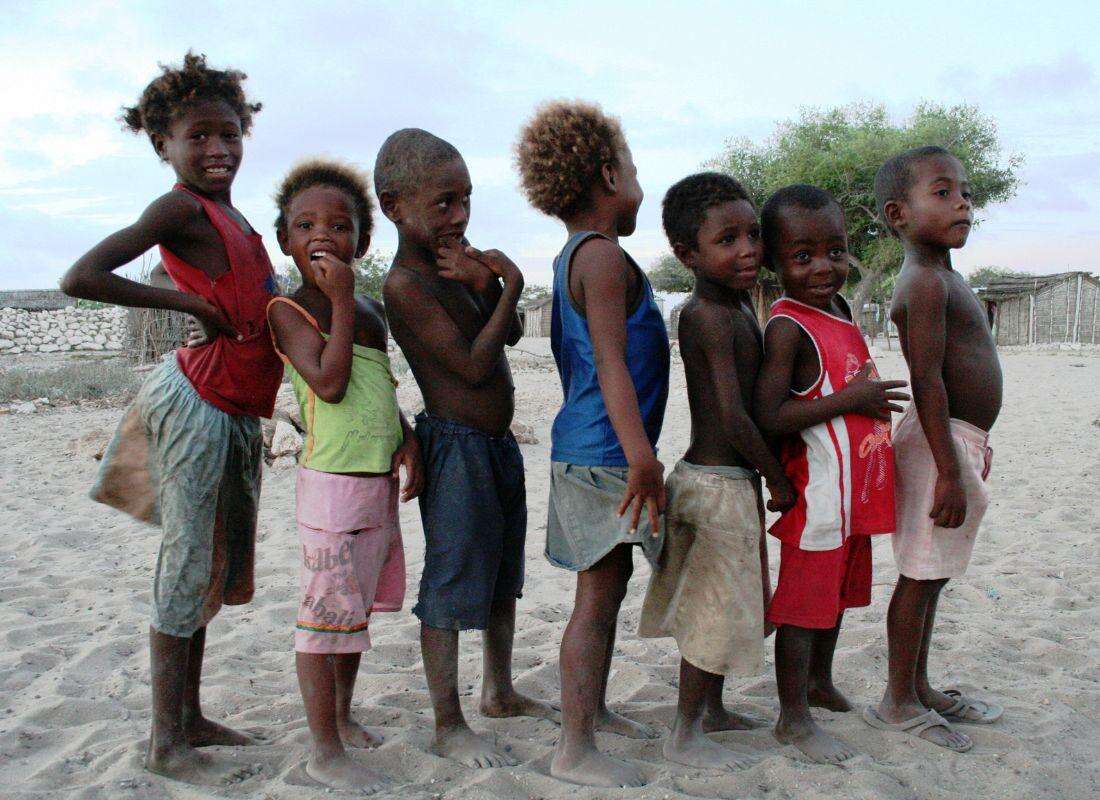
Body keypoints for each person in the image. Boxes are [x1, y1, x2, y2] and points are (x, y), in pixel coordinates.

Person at [60, 52, 282, 779]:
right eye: (199, 137)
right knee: (186, 564)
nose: (218, 149)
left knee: (209, 563)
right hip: (200, 405)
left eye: (230, 135)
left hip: (233, 408)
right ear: (164, 145)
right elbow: (81, 276)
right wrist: (186, 304)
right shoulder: (178, 208)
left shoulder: (230, 213)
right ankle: (165, 741)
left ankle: (189, 717)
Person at [377, 128, 556, 769]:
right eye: (443, 203)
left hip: (497, 446)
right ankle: (448, 722)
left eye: (466, 199)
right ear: (395, 207)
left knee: (503, 574)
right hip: (455, 449)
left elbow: (509, 334)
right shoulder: (406, 285)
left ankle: (499, 691)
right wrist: (508, 282)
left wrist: (488, 285)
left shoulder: (457, 266)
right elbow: (474, 367)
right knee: (452, 581)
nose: (459, 215)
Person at [515, 100, 670, 788]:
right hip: (605, 453)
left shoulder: (576, 254)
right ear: (609, 174)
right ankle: (575, 747)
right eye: (632, 169)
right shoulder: (603, 257)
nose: (639, 182)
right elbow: (609, 364)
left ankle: (594, 711)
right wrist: (642, 457)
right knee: (598, 596)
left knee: (609, 584)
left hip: (593, 447)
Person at [266, 159, 424, 790]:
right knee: (322, 621)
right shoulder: (288, 310)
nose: (322, 235)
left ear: (362, 240)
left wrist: (407, 437)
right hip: (331, 489)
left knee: (351, 615)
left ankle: (342, 715)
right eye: (305, 225)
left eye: (339, 225)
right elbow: (329, 385)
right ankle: (324, 751)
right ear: (285, 240)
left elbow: (376, 386)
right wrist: (336, 300)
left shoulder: (368, 309)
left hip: (374, 485)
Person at [637, 172, 796, 771]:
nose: (748, 249)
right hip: (716, 485)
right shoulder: (706, 314)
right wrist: (776, 477)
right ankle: (684, 731)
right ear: (688, 255)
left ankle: (713, 709)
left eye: (753, 234)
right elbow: (732, 416)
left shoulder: (736, 306)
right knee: (710, 612)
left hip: (731, 482)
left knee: (727, 606)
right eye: (727, 240)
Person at [754, 184, 906, 764]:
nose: (824, 267)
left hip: (851, 497)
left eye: (835, 251)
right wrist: (852, 400)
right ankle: (792, 718)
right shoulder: (788, 326)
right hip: (818, 496)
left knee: (835, 599)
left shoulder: (838, 309)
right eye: (803, 256)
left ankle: (818, 682)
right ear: (775, 261)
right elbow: (770, 415)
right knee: (802, 607)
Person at [863, 146, 1004, 751]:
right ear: (898, 214)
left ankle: (918, 686)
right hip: (938, 444)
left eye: (965, 193)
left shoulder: (946, 277)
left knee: (935, 573)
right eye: (943, 193)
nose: (962, 203)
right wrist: (948, 470)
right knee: (920, 576)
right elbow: (926, 381)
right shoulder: (921, 283)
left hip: (954, 442)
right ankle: (897, 700)